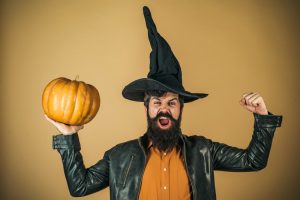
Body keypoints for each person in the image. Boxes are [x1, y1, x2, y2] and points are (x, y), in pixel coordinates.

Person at [46, 6, 282, 200]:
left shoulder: (204, 151)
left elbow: (253, 161)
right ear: (146, 107)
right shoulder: (118, 156)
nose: (164, 109)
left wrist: (263, 117)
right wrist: (68, 137)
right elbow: (80, 186)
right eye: (157, 102)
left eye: (172, 103)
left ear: (181, 108)